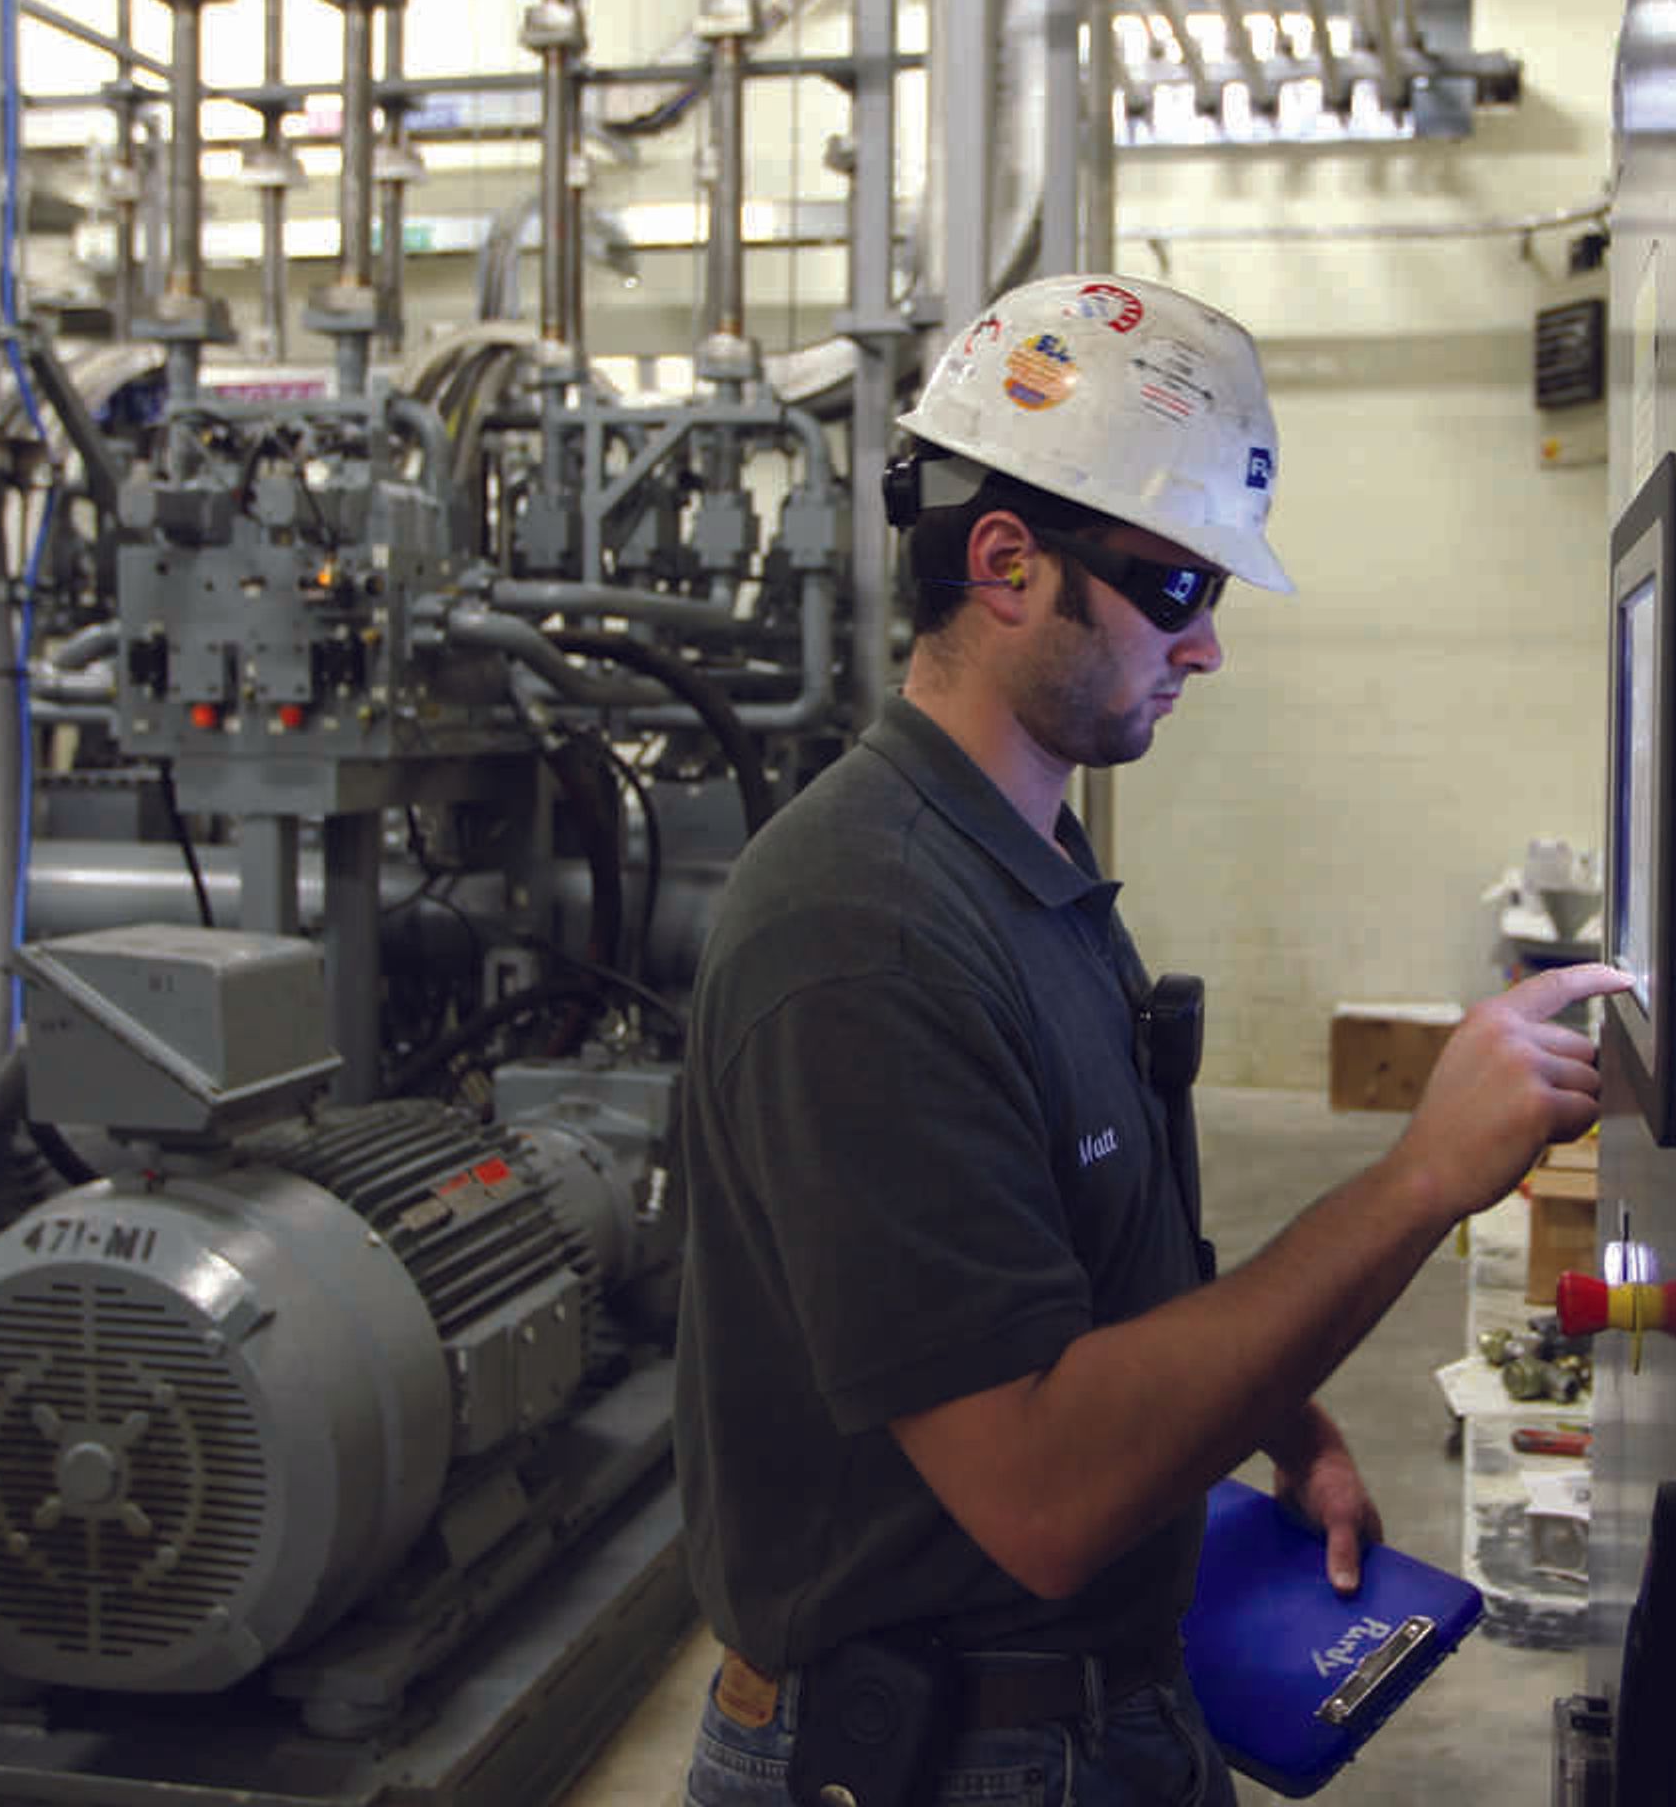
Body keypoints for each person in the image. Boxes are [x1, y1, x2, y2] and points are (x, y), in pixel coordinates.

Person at [670, 272, 1627, 1807]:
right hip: (933, 1758)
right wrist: (1416, 1180)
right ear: (1005, 563)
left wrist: (1263, 1409)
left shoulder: (1018, 876)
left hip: (1085, 1717)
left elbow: (1079, 1285)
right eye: (1176, 590)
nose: (1206, 650)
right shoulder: (862, 932)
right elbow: (1042, 1492)